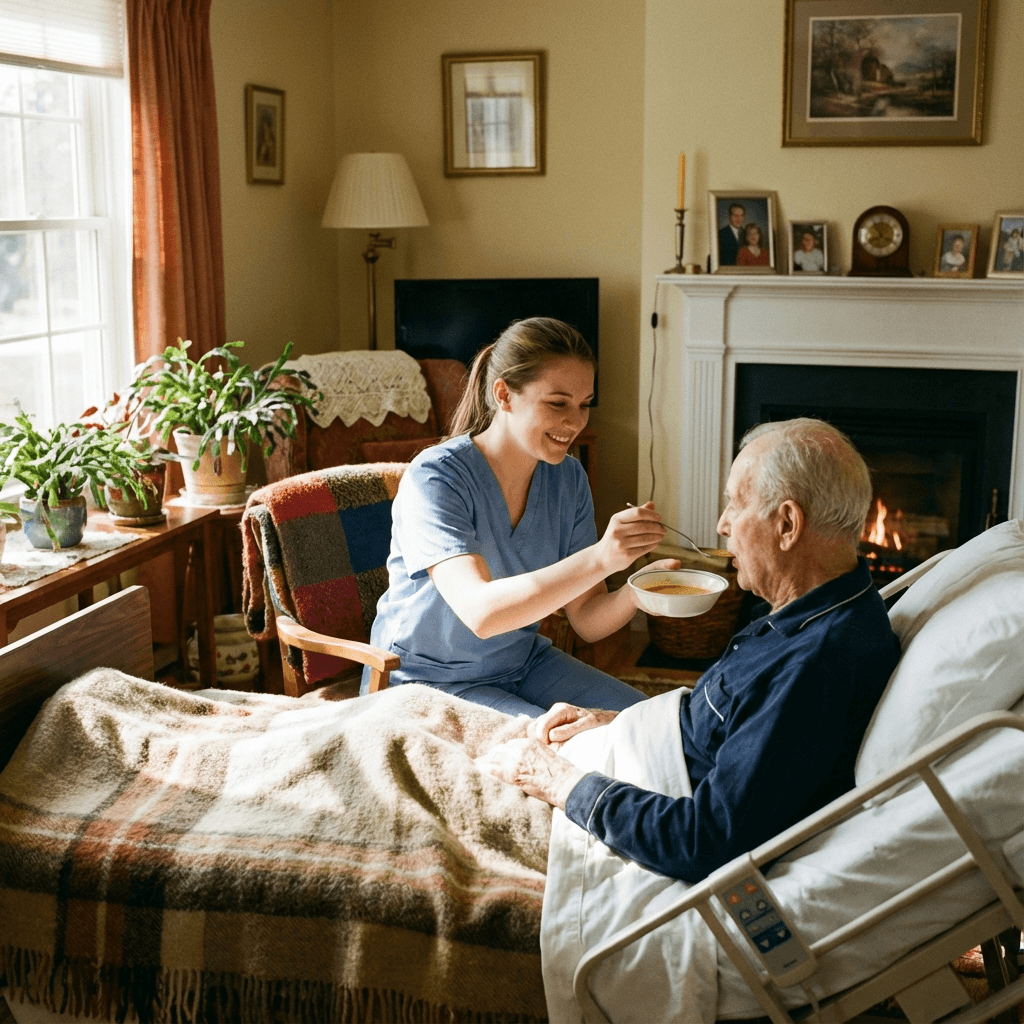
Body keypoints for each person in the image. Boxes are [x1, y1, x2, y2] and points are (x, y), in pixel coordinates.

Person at [479, 418, 902, 882]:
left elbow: (703, 839)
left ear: (787, 523)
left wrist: (559, 782)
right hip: (639, 756)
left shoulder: (815, 665)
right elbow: (733, 726)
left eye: (735, 505)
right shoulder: (817, 610)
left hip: (626, 804)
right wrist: (618, 722)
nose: (722, 525)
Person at [362, 317, 677, 717]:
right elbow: (482, 613)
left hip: (522, 663)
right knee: (564, 745)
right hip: (428, 680)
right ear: (504, 395)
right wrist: (602, 557)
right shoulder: (436, 477)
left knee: (648, 724)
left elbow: (587, 619)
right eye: (558, 403)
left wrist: (636, 591)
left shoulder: (568, 478)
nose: (576, 422)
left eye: (584, 405)